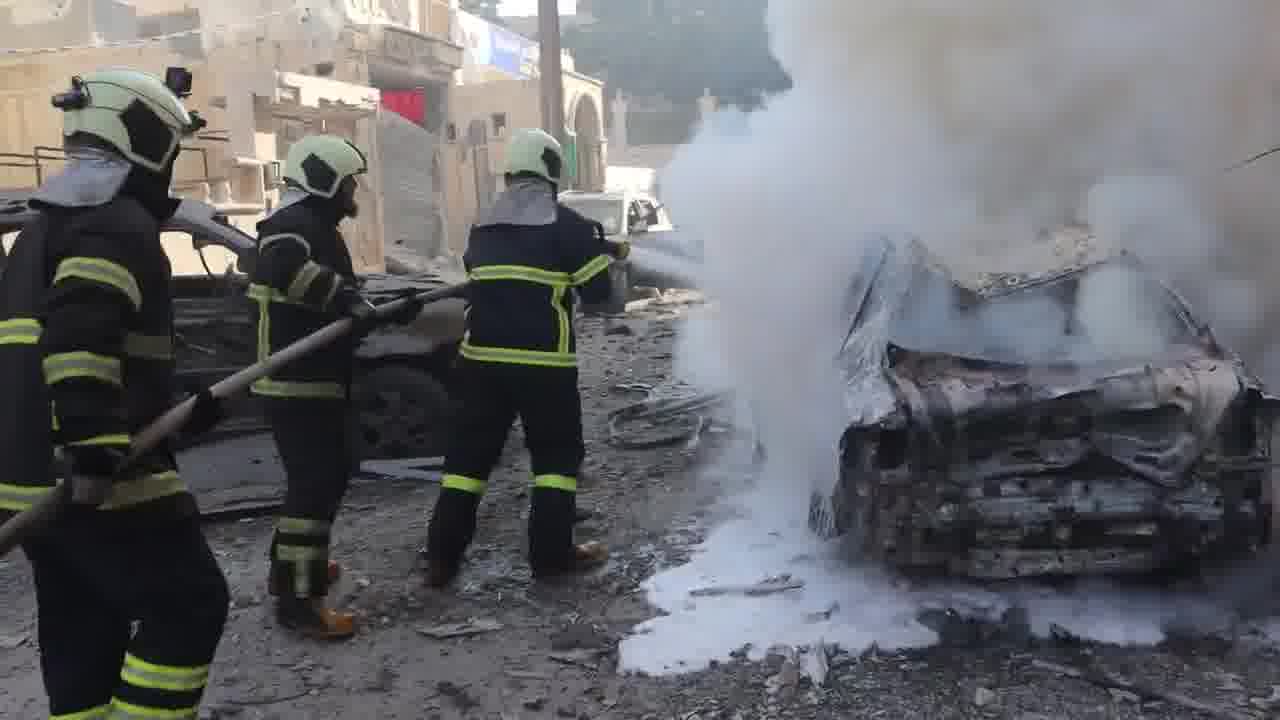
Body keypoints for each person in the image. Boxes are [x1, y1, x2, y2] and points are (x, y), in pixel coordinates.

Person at [0, 67, 230, 718]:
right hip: (100, 481)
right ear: (147, 138)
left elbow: (110, 351)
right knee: (190, 604)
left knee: (83, 631)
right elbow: (78, 340)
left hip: (32, 483)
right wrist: (95, 450)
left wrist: (184, 411)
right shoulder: (116, 222)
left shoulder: (43, 229)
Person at [423, 127, 629, 588]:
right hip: (543, 366)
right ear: (553, 172)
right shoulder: (571, 227)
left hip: (480, 363)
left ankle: (441, 558)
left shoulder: (482, 227)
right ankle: (550, 557)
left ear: (512, 173)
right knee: (555, 460)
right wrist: (599, 257)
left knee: (467, 462)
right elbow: (600, 297)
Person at [247, 134, 422, 639]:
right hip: (294, 383)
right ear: (323, 180)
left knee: (326, 479)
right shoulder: (289, 226)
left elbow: (335, 310)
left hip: (316, 378)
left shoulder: (316, 227)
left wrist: (384, 311)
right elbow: (282, 268)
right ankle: (299, 603)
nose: (354, 193)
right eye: (348, 183)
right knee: (314, 486)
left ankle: (296, 571)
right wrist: (344, 297)